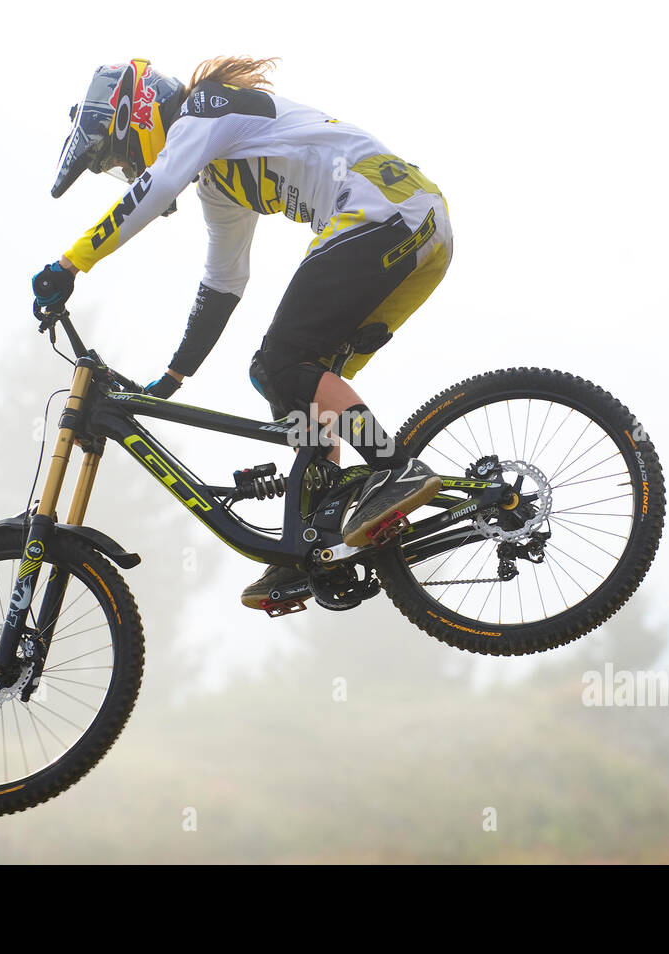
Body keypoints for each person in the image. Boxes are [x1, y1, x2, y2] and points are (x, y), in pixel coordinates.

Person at [32, 56, 453, 609]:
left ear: (138, 114)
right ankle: (312, 542)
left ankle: (397, 468)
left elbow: (155, 188)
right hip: (416, 229)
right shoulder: (217, 182)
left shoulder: (209, 108)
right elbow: (224, 281)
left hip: (385, 211)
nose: (129, 167)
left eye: (120, 153)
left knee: (282, 362)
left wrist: (71, 263)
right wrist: (173, 378)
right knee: (292, 384)